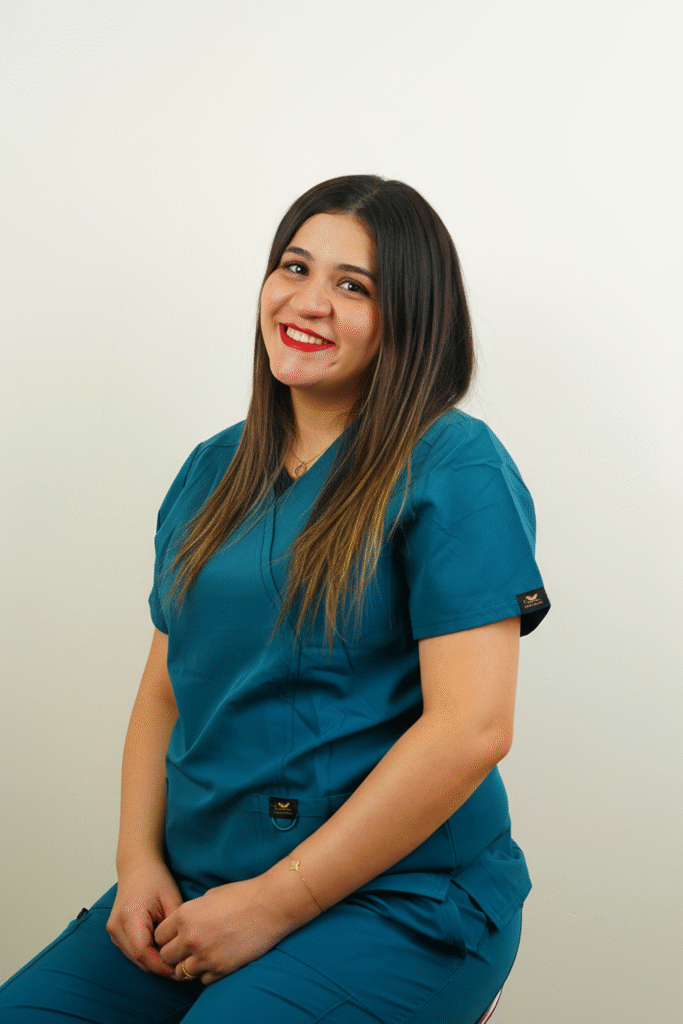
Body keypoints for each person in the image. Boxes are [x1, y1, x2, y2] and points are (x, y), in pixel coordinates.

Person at [0, 174, 550, 1023]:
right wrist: (137, 863)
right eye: (294, 267)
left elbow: (470, 729)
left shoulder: (453, 465)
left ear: (409, 316)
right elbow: (164, 690)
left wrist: (273, 904)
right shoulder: (211, 471)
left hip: (401, 898)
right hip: (200, 884)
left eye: (353, 286)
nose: (309, 301)